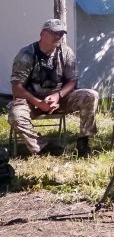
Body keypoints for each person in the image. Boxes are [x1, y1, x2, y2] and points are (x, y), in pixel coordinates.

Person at [8, 19, 99, 157]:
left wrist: (58, 96)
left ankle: (83, 142)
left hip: (59, 99)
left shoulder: (66, 52)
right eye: (54, 33)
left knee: (90, 95)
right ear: (42, 34)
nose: (59, 36)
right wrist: (39, 103)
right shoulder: (27, 54)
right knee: (15, 116)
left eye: (61, 33)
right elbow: (17, 88)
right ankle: (44, 147)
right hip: (30, 101)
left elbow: (72, 81)